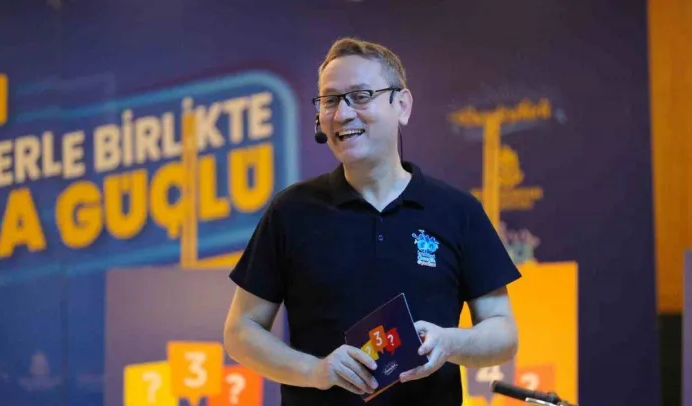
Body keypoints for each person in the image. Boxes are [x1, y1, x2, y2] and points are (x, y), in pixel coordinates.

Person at [223, 37, 521, 405]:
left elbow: (503, 334)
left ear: (402, 105)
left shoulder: (458, 210)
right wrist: (314, 371)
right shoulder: (291, 211)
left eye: (361, 96)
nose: (342, 114)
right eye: (330, 100)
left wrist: (450, 342)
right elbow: (241, 330)